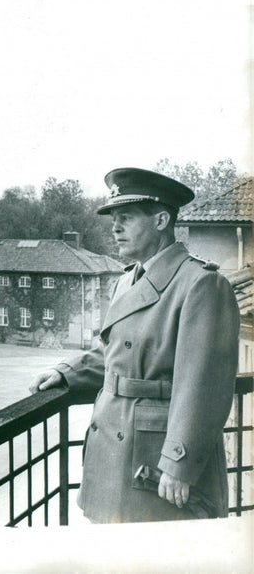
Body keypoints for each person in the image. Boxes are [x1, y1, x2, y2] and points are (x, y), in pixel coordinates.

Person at [29, 167, 239, 524]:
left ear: (161, 220)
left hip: (157, 457)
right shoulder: (126, 281)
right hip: (113, 446)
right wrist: (67, 373)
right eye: (114, 218)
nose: (115, 227)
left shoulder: (200, 284)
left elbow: (204, 384)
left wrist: (179, 460)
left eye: (125, 217)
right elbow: (118, 353)